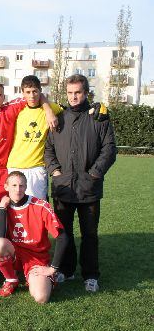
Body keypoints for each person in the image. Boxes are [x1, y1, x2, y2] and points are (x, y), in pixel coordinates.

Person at [45, 74, 116, 292]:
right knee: (63, 233)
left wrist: (94, 173)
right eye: (70, 93)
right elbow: (48, 149)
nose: (73, 97)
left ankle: (91, 275)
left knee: (90, 234)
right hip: (63, 188)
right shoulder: (58, 118)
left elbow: (109, 149)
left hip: (89, 189)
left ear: (85, 93)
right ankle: (66, 270)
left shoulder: (99, 118)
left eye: (77, 92)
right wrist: (55, 171)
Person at [0, 171, 68, 303]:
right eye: (14, 185)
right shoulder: (3, 205)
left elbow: (62, 237)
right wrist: (3, 209)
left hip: (36, 258)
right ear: (6, 187)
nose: (18, 190)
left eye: (21, 186)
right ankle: (11, 279)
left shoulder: (40, 206)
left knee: (41, 298)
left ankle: (38, 278)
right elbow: (0, 236)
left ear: (26, 187)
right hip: (14, 254)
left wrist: (53, 268)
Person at [6, 75, 61, 200]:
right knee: (15, 208)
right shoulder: (17, 109)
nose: (32, 96)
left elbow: (73, 112)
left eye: (35, 91)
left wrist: (47, 109)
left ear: (40, 91)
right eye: (28, 92)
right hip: (15, 165)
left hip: (37, 167)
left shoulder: (52, 108)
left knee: (37, 207)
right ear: (23, 93)